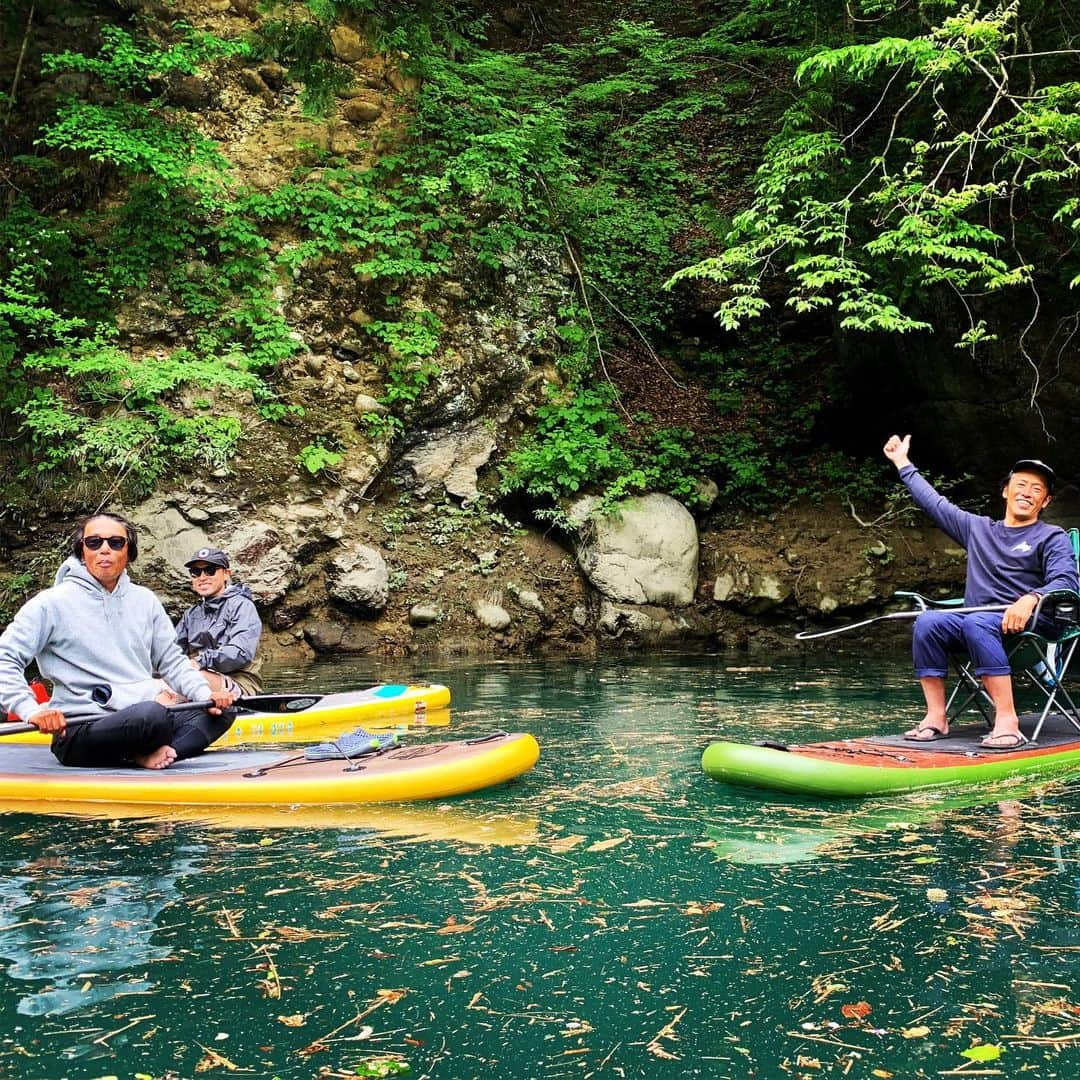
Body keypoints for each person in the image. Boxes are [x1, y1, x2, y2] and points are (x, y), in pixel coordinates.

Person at [883, 434, 1078, 749]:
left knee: (978, 622)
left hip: (1028, 626)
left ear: (1046, 502)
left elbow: (1067, 582)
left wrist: (1031, 599)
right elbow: (935, 504)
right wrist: (902, 463)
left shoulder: (1051, 537)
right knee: (928, 622)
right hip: (979, 623)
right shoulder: (978, 529)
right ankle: (936, 717)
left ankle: (1008, 723)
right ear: (1006, 491)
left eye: (1037, 489)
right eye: (1021, 484)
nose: (1027, 493)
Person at [0, 512, 238, 769]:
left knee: (223, 710)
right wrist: (31, 710)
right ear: (82, 552)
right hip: (80, 729)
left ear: (129, 552)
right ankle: (145, 753)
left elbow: (173, 663)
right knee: (151, 716)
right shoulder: (50, 604)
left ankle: (163, 754)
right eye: (94, 542)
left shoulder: (145, 600)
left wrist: (205, 695)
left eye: (115, 542)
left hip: (142, 719)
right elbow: (5, 658)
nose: (104, 549)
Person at [174, 546, 263, 697]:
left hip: (240, 683)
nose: (202, 577)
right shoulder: (191, 614)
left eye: (210, 570)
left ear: (226, 574)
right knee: (157, 684)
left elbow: (240, 653)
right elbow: (171, 651)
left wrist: (200, 662)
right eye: (195, 572)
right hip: (196, 676)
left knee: (192, 678)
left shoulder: (242, 606)